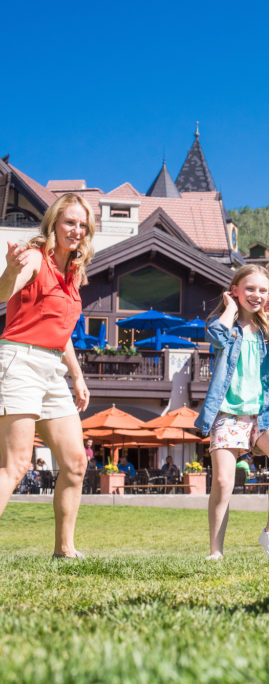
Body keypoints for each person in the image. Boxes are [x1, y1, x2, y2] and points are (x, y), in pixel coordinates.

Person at [0, 193, 92, 557]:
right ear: (54, 223)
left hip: (52, 368)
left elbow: (62, 330)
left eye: (83, 225)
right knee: (17, 463)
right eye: (70, 222)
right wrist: (9, 268)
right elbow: (3, 292)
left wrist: (77, 376)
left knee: (75, 463)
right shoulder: (35, 259)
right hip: (19, 360)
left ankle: (64, 549)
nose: (77, 230)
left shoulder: (73, 273)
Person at [194, 264, 269, 560]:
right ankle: (216, 551)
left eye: (263, 290)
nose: (256, 295)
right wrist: (229, 308)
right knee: (222, 482)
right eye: (250, 289)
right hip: (228, 413)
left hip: (265, 412)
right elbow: (215, 336)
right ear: (236, 292)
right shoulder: (225, 325)